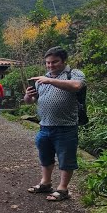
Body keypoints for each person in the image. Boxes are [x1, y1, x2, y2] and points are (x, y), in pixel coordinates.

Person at [24, 46, 86, 201]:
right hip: (44, 126)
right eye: (48, 63)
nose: (50, 66)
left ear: (64, 61)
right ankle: (46, 184)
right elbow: (31, 101)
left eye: (55, 62)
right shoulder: (42, 80)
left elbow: (77, 86)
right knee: (45, 157)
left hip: (66, 127)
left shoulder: (74, 73)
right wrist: (27, 96)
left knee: (66, 159)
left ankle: (63, 190)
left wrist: (50, 80)